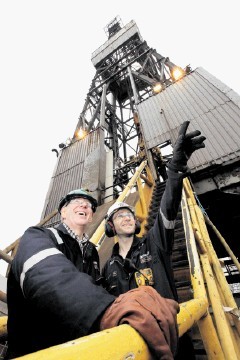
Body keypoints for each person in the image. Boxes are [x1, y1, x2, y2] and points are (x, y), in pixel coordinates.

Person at [6, 189, 179, 359]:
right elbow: (46, 274)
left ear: (91, 217)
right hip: (36, 352)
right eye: (75, 201)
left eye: (89, 205)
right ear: (63, 212)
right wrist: (106, 309)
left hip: (81, 350)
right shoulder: (39, 236)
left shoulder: (92, 255)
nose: (84, 205)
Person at [102, 121, 206, 358]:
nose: (127, 218)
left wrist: (175, 169)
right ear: (111, 226)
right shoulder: (109, 267)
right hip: (133, 344)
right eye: (120, 216)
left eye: (129, 214)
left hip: (173, 337)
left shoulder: (155, 243)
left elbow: (168, 206)